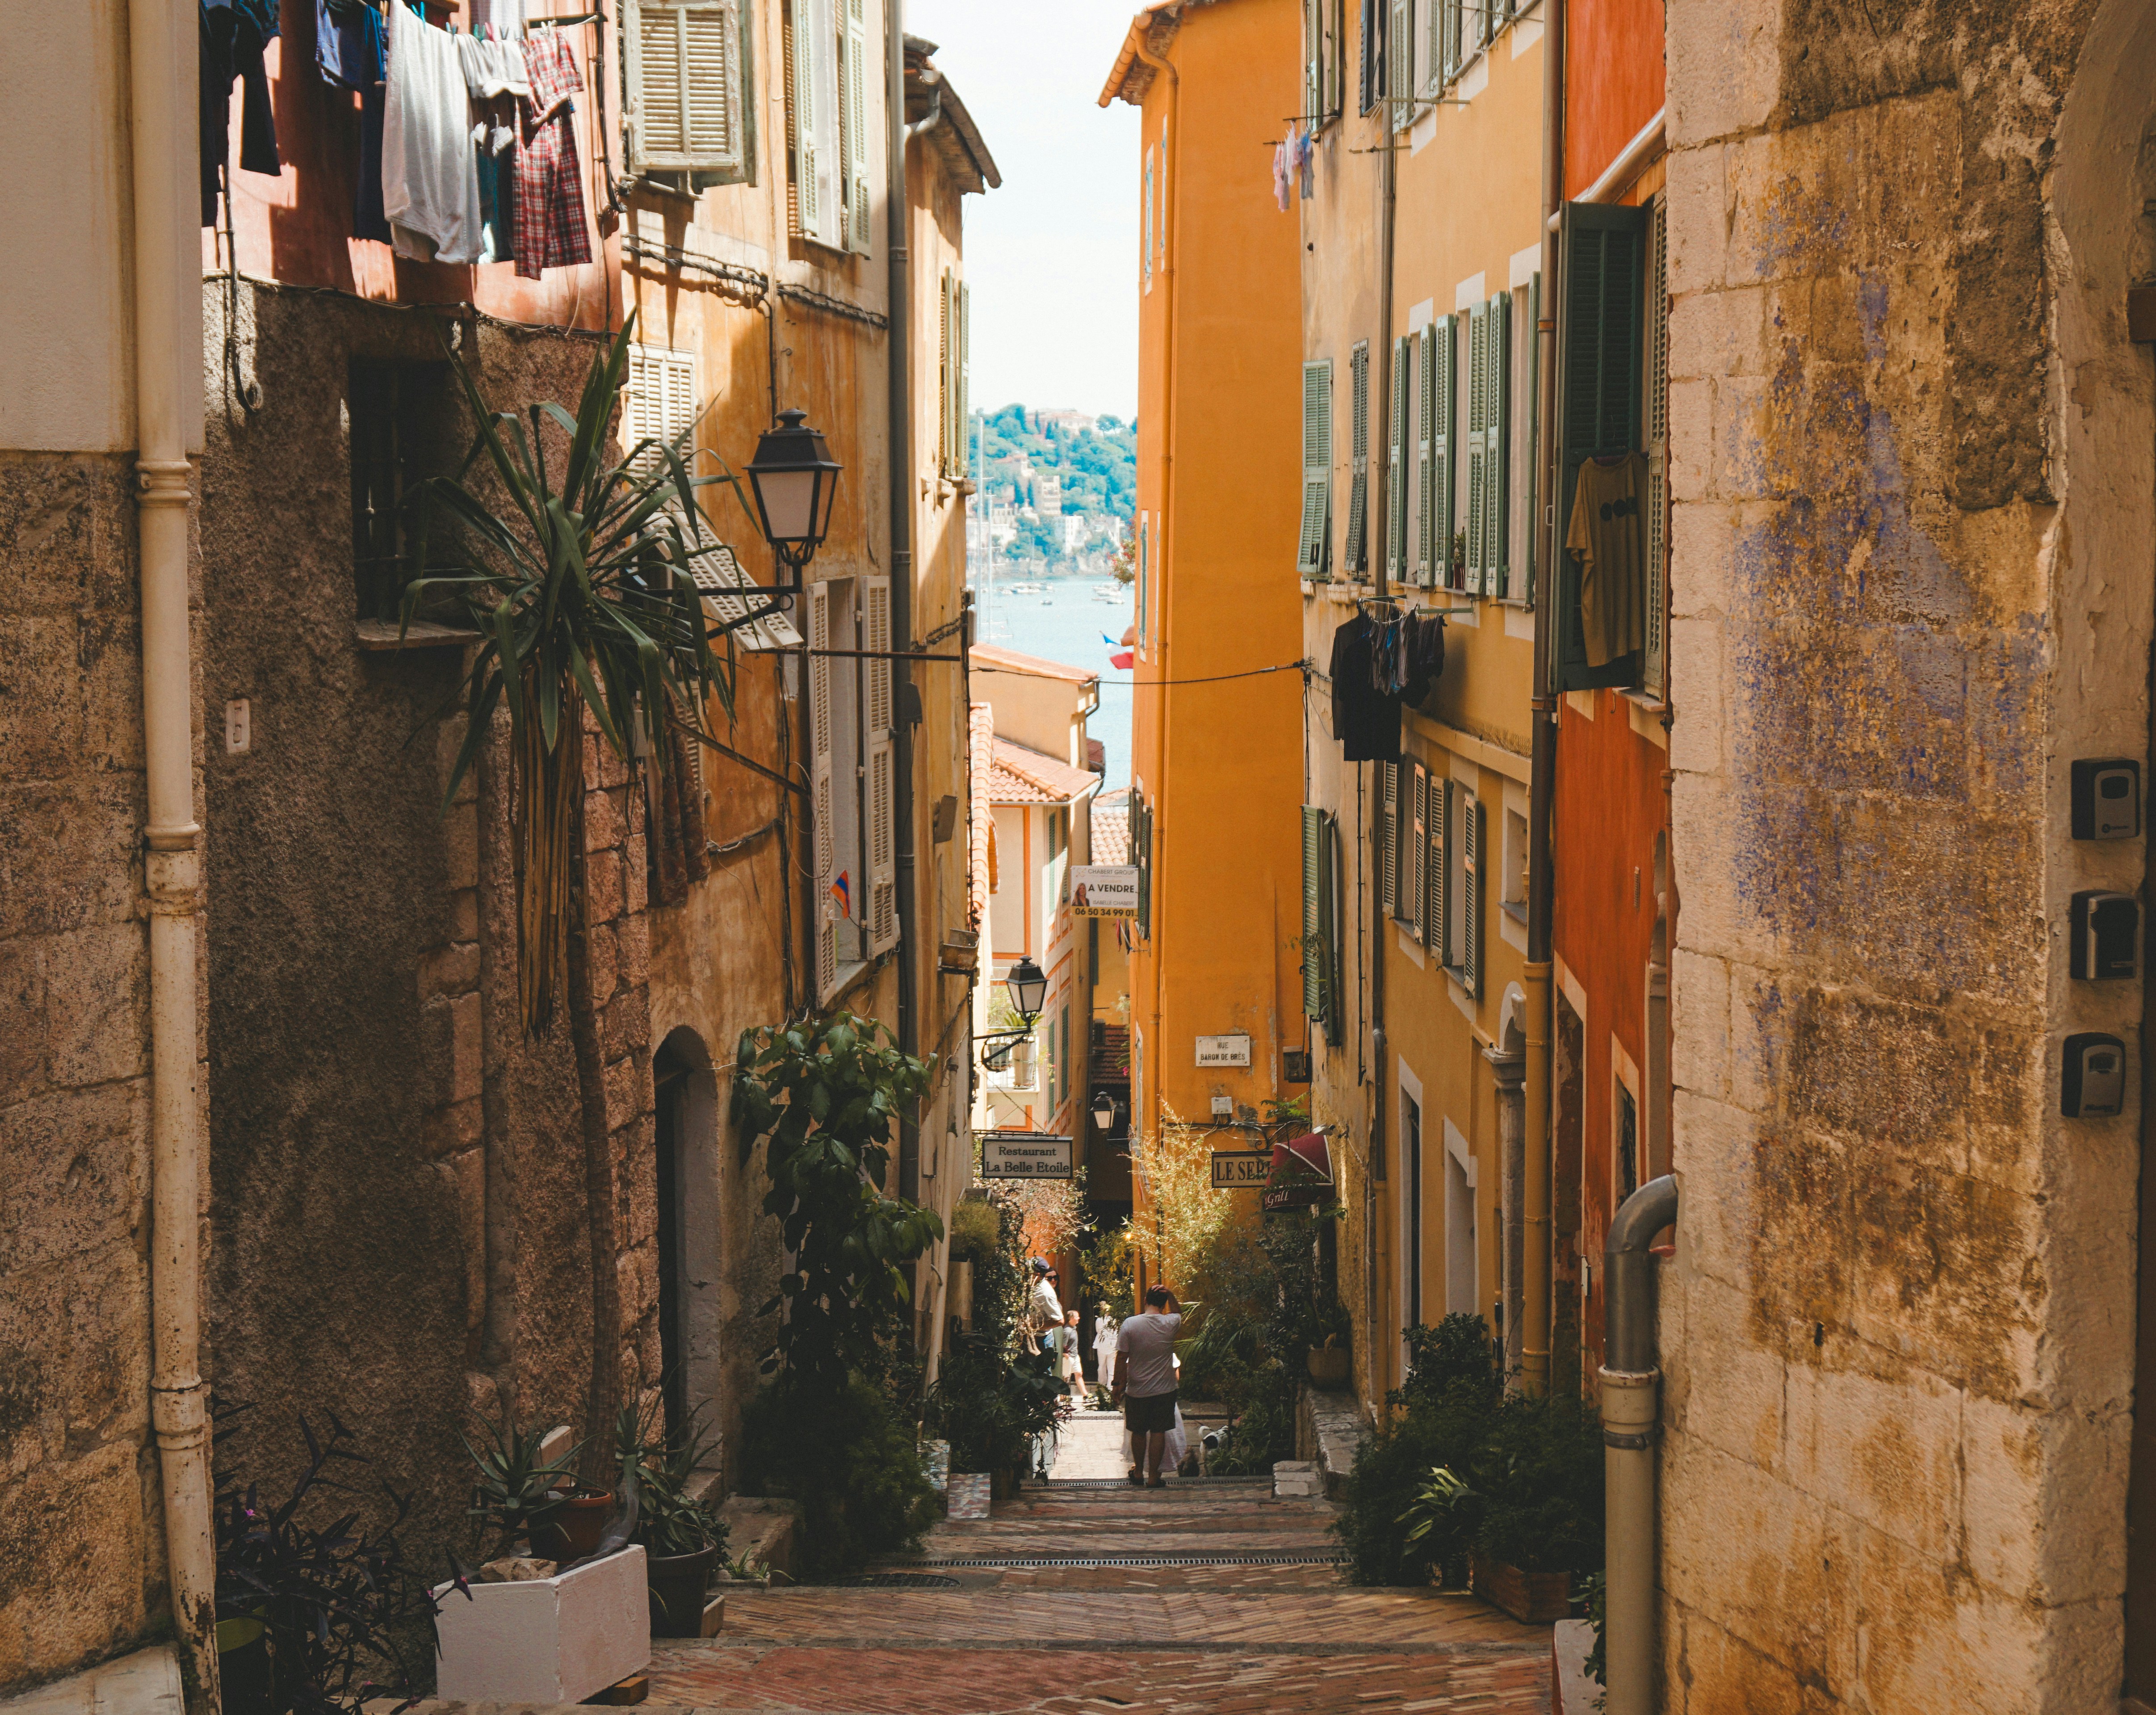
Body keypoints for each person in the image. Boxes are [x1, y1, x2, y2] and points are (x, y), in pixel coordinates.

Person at [1112, 1284, 1182, 1487]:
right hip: (1165, 1389)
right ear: (1164, 1304)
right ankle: (1153, 1478)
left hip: (1138, 1388)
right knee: (1159, 1432)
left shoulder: (1130, 1324)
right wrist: (1171, 1294)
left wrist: (1118, 1385)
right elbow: (1178, 1313)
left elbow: (1122, 1356)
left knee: (1138, 1431)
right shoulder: (1170, 1322)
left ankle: (1139, 1473)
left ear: (1145, 1301)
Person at [1024, 1258, 1063, 1353]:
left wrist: (1034, 1326)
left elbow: (1060, 1321)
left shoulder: (1046, 1293)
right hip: (1029, 1336)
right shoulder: (1031, 1284)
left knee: (1041, 1368)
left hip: (1042, 1340)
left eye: (1027, 1270)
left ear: (1037, 1274)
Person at [1091, 1303, 1119, 1401]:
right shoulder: (1113, 1320)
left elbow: (1099, 1331)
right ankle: (1108, 1387)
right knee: (1109, 1367)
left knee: (1103, 1366)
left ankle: (1104, 1385)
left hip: (1105, 1344)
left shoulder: (1100, 1320)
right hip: (1110, 1344)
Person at [1058, 1309, 1086, 1396]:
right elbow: (1062, 1345)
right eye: (1077, 1317)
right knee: (1066, 1378)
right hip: (1069, 1357)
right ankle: (1064, 1398)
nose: (1079, 1318)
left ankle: (1085, 1395)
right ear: (1071, 1318)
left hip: (1075, 1356)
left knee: (1079, 1374)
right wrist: (1066, 1355)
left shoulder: (1073, 1328)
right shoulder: (1067, 1331)